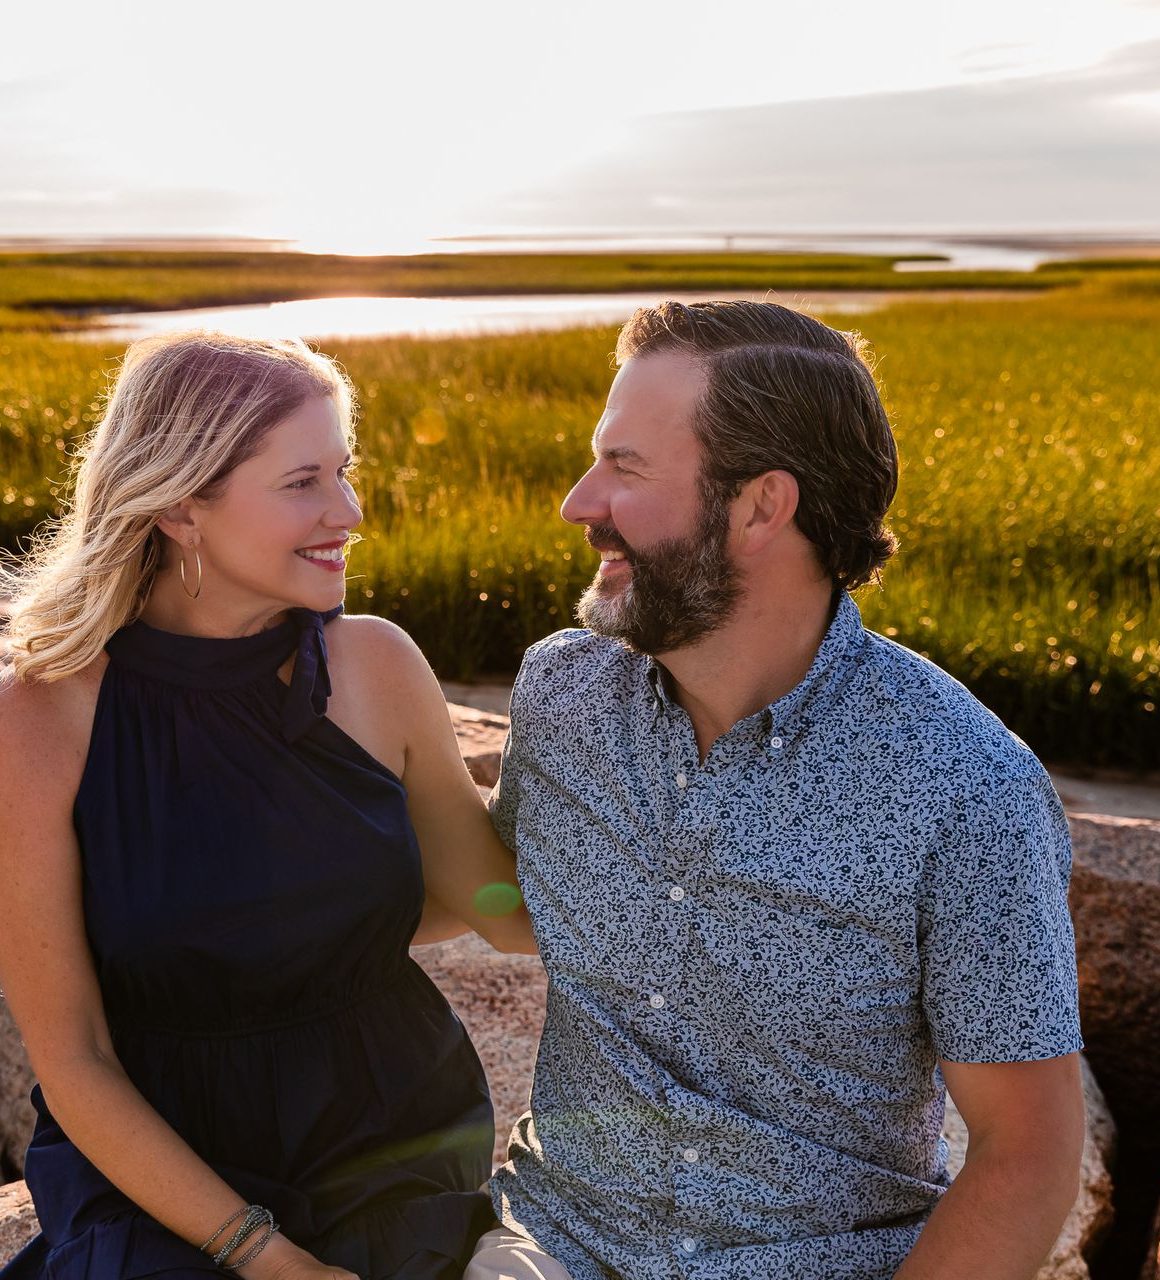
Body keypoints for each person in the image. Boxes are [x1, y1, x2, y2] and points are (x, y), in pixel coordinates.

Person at [466, 300, 1087, 1280]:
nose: (579, 501)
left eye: (626, 468)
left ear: (761, 505)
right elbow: (500, 900)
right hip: (553, 1245)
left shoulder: (964, 784)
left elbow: (1028, 1150)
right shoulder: (561, 691)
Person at [0, 329, 535, 1280]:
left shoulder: (374, 667)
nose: (348, 510)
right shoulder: (30, 726)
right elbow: (75, 1058)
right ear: (182, 505)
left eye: (345, 472)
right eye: (303, 481)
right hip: (162, 1158)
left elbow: (496, 910)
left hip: (388, 1133)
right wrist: (266, 1259)